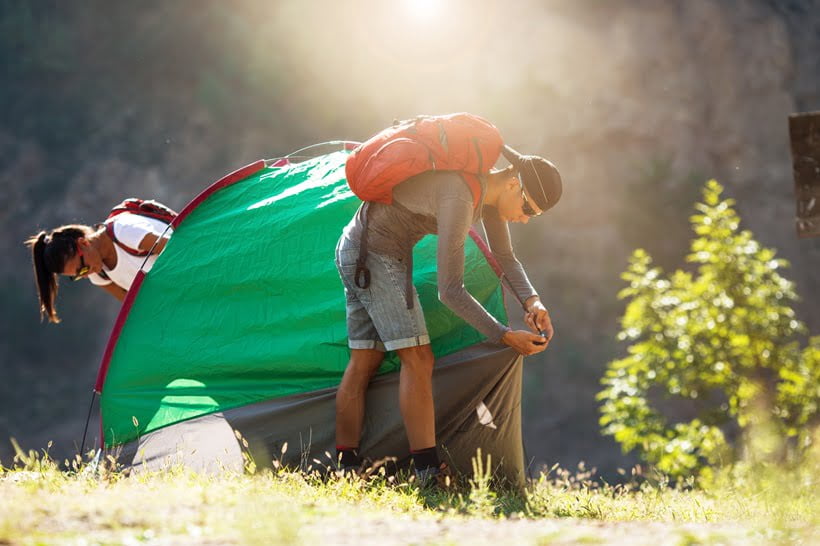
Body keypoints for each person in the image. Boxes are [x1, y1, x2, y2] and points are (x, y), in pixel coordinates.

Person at [334, 129, 562, 484]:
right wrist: (504, 336)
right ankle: (427, 471)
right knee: (418, 357)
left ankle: (345, 466)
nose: (525, 219)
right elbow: (450, 291)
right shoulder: (460, 196)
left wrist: (533, 301)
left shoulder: (486, 193)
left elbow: (505, 256)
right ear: (513, 184)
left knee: (366, 359)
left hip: (357, 246)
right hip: (373, 255)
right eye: (528, 208)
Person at [25, 211, 172, 323]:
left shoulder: (124, 232)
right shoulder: (98, 274)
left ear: (83, 243)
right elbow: (140, 309)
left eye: (82, 268)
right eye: (78, 276)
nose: (85, 275)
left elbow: (179, 249)